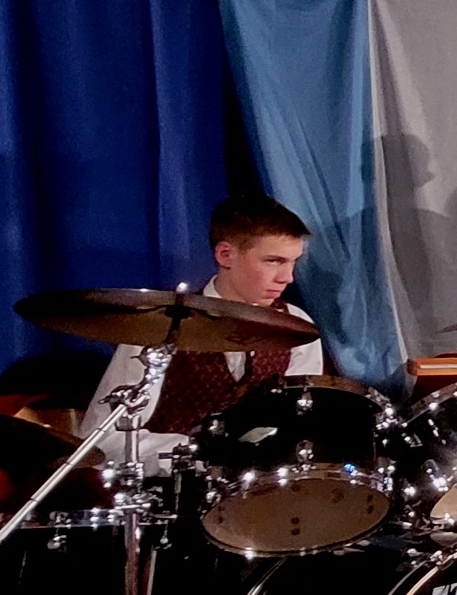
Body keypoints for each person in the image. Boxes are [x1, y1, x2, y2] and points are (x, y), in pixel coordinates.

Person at [81, 195, 322, 474]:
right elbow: (105, 439)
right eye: (273, 261)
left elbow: (300, 423)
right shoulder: (158, 326)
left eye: (292, 262)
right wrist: (197, 452)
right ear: (225, 254)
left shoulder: (295, 326)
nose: (287, 277)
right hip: (171, 492)